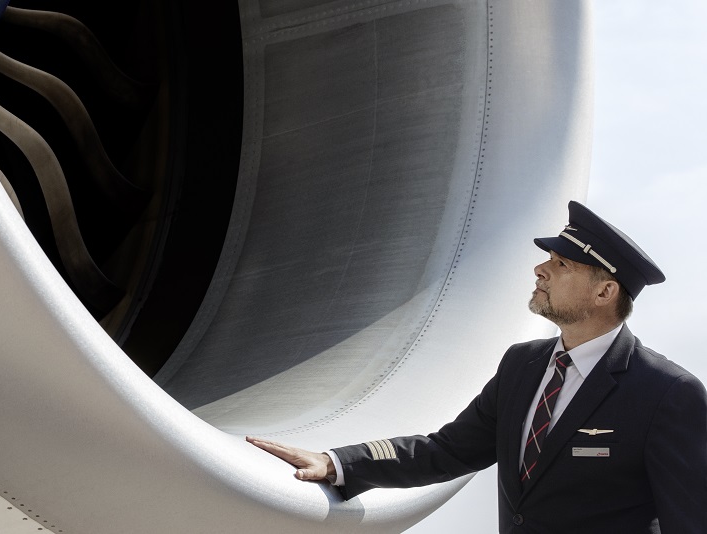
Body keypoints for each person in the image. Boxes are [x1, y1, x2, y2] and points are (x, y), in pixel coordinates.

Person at [248, 201, 707, 533]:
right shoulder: (522, 366)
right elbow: (447, 450)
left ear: (604, 293)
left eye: (560, 263)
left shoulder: (667, 393)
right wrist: (338, 462)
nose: (539, 270)